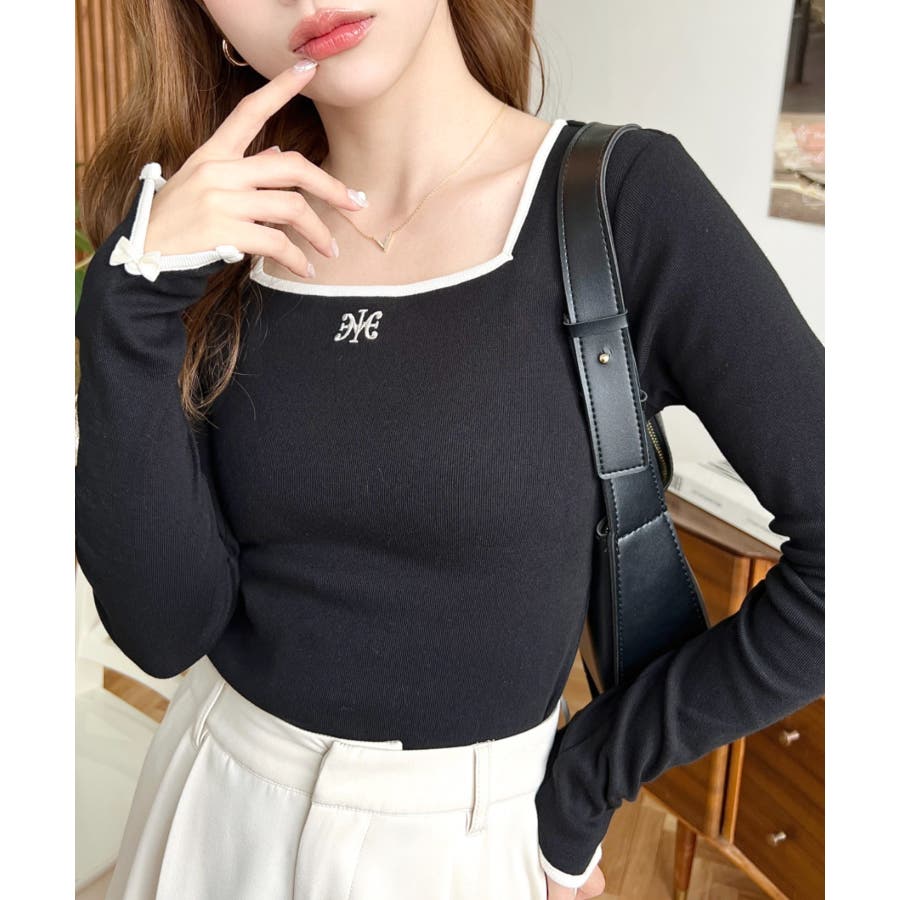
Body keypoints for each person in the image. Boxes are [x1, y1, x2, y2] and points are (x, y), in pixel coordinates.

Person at [74, 1, 825, 898]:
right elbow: (164, 632)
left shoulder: (623, 201)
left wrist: (584, 783)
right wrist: (129, 305)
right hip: (211, 802)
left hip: (461, 847)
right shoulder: (207, 241)